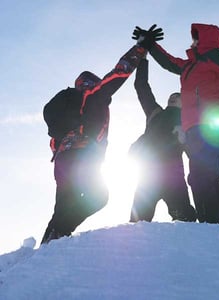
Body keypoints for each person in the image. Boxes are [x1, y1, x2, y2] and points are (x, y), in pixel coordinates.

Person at [132, 24, 219, 227]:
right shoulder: (188, 66)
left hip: (208, 124)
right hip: (192, 131)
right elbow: (168, 63)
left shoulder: (214, 56)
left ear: (205, 39)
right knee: (210, 179)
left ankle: (209, 227)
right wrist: (150, 45)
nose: (192, 42)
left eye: (195, 38)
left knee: (199, 178)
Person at [41, 43, 150, 244]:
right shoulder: (92, 96)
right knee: (99, 196)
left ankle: (48, 245)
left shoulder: (71, 104)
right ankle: (61, 233)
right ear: (91, 83)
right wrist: (140, 49)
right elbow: (119, 72)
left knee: (63, 206)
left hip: (64, 158)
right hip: (82, 157)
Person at [129, 57, 196, 222]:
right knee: (137, 224)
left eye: (178, 96)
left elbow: (194, 153)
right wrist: (143, 59)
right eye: (172, 95)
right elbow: (141, 87)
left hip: (174, 178)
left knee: (185, 221)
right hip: (149, 175)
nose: (173, 97)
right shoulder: (155, 113)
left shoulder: (189, 122)